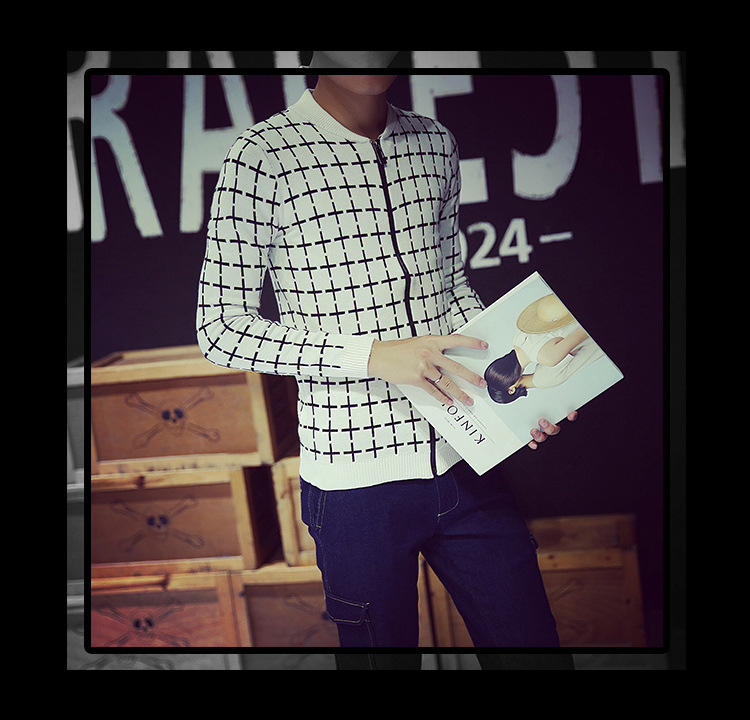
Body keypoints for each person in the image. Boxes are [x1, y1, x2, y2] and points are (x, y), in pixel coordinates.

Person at [196, 73, 576, 668]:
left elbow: (450, 287)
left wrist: (513, 396)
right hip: (354, 490)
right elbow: (220, 328)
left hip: (466, 462)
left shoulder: (434, 141)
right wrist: (371, 355)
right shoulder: (261, 156)